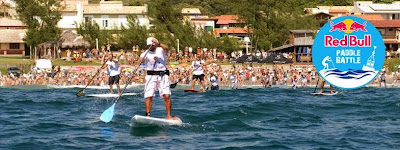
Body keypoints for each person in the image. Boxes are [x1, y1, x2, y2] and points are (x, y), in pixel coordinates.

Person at [134, 37, 177, 120]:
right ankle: (148, 115)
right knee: (149, 96)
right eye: (150, 45)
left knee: (166, 95)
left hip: (162, 75)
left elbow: (167, 48)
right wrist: (137, 65)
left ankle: (168, 115)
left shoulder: (161, 50)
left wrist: (159, 43)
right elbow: (140, 60)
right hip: (151, 76)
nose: (151, 46)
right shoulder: (145, 53)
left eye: (153, 45)